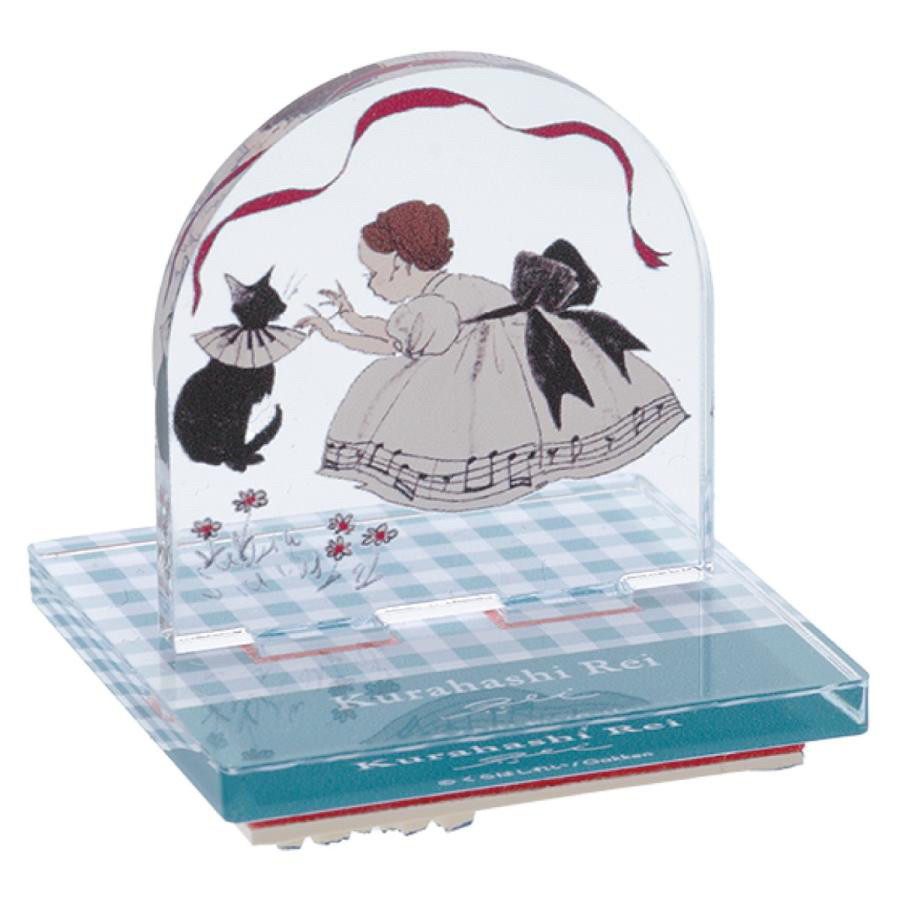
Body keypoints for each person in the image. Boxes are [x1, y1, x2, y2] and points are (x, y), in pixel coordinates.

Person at [296, 200, 686, 511]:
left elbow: (389, 342)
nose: (371, 286)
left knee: (428, 414)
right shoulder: (463, 285)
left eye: (373, 274)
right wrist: (350, 316)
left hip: (485, 382)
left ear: (402, 264)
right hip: (526, 365)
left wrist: (335, 333)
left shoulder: (431, 308)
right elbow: (395, 330)